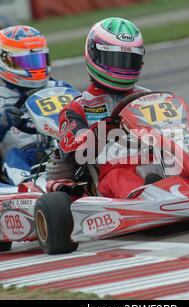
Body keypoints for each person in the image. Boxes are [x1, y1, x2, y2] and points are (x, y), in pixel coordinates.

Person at [59, 17, 149, 199]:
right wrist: (100, 132)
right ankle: (144, 195)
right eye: (115, 58)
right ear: (95, 55)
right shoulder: (78, 108)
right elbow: (73, 152)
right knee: (118, 173)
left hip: (156, 160)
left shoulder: (148, 97)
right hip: (113, 171)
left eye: (129, 60)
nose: (122, 67)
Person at [0, 25, 72, 185]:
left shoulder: (59, 88)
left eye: (38, 60)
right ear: (5, 61)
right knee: (15, 155)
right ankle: (29, 188)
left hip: (61, 152)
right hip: (23, 159)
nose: (34, 67)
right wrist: (0, 121)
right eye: (26, 62)